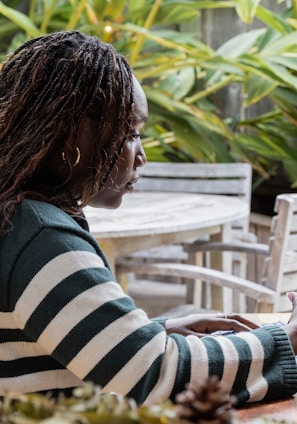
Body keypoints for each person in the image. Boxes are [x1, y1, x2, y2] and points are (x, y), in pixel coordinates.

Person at [0, 30, 296, 407]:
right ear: (70, 135)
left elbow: (47, 343)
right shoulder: (41, 235)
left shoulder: (15, 215)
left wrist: (152, 331)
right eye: (129, 133)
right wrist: (288, 339)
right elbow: (154, 375)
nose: (140, 156)